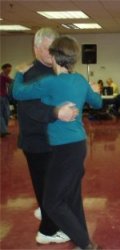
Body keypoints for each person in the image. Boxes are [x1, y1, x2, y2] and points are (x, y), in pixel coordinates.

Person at [13, 35, 102, 249]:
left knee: (51, 203)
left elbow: (17, 93)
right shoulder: (80, 80)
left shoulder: (49, 82)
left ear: (52, 57)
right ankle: (83, 242)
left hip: (63, 151)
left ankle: (87, 245)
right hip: (79, 145)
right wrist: (95, 91)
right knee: (71, 196)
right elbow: (97, 103)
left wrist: (18, 74)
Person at [16, 27, 78, 245]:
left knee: (49, 184)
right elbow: (31, 109)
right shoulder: (32, 75)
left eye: (54, 49)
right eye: (47, 49)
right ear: (35, 48)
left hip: (50, 140)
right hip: (38, 142)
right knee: (48, 185)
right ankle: (47, 231)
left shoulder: (50, 71)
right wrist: (56, 112)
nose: (52, 54)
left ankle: (46, 211)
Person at [0, 63, 12, 138]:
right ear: (4, 69)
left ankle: (3, 130)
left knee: (6, 114)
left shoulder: (5, 76)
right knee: (2, 115)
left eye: (10, 70)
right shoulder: (3, 76)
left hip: (4, 97)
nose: (9, 71)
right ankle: (4, 131)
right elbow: (13, 82)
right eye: (8, 70)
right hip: (1, 97)